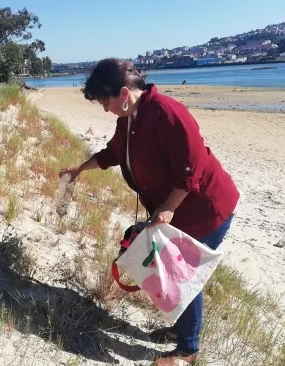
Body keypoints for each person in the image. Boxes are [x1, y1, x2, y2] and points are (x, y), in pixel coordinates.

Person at [59, 58, 240, 365]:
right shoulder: (129, 119)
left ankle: (187, 351)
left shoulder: (167, 111)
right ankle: (182, 329)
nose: (106, 110)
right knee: (173, 271)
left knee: (182, 275)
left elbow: (191, 167)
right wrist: (79, 169)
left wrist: (168, 207)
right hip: (176, 209)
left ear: (125, 93)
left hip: (206, 207)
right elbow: (113, 153)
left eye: (106, 102)